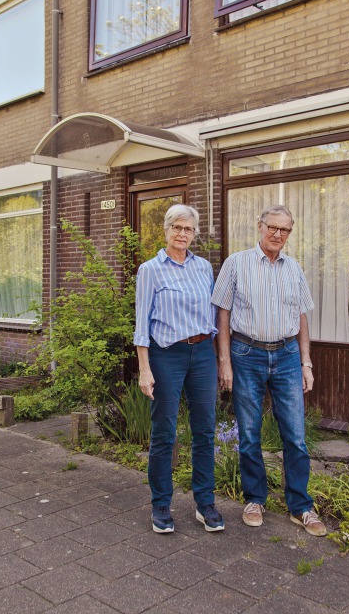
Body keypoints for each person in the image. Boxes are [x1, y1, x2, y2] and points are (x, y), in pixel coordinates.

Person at [212, 204, 327, 537]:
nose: (278, 235)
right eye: (272, 228)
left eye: (285, 230)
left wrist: (306, 362)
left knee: (295, 435)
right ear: (259, 226)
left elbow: (302, 317)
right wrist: (225, 362)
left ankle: (301, 506)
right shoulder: (236, 263)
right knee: (250, 433)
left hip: (288, 355)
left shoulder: (294, 268)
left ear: (290, 233)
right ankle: (254, 499)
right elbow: (222, 315)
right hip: (246, 353)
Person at [134, 204, 222, 534]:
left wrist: (216, 357)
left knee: (204, 430)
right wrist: (145, 368)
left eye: (188, 229)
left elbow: (211, 314)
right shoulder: (151, 270)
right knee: (164, 432)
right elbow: (141, 323)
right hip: (166, 356)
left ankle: (205, 503)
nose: (182, 234)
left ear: (194, 234)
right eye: (177, 228)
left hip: (202, 354)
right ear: (166, 230)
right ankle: (160, 505)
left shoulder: (203, 268)